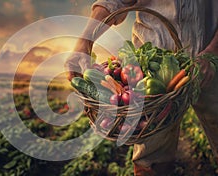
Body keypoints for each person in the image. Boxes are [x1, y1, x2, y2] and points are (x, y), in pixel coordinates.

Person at [65, 0, 218, 175]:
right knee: (151, 159)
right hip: (148, 67)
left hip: (212, 61)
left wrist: (213, 52)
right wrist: (84, 41)